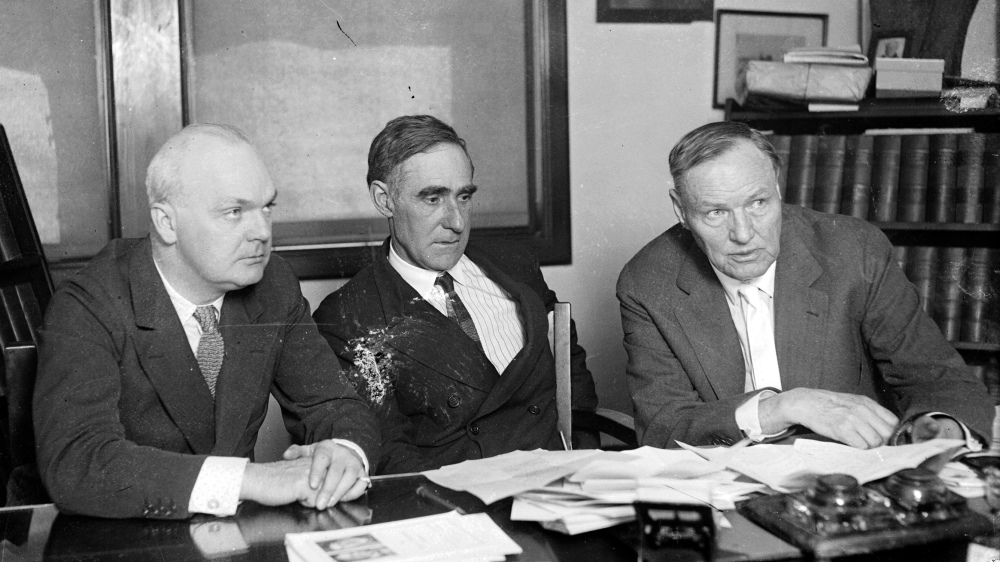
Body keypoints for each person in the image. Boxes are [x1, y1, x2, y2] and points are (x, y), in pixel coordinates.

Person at [33, 123, 380, 519]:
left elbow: (334, 404)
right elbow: (78, 461)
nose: (262, 232)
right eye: (234, 212)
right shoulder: (90, 301)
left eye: (267, 207)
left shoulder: (273, 284)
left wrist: (345, 453)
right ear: (167, 223)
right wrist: (254, 480)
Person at [617, 121, 993, 450]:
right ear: (681, 211)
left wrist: (942, 432)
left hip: (850, 483)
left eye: (758, 203)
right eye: (716, 212)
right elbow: (662, 429)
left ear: (778, 190)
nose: (744, 234)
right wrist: (782, 407)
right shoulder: (649, 282)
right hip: (724, 489)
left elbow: (937, 377)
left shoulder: (853, 251)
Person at [312, 114, 599, 474]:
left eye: (464, 197)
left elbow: (570, 373)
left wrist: (584, 457)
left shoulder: (516, 265)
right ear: (384, 200)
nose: (457, 222)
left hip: (567, 484)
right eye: (432, 199)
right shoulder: (349, 318)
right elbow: (390, 452)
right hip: (462, 504)